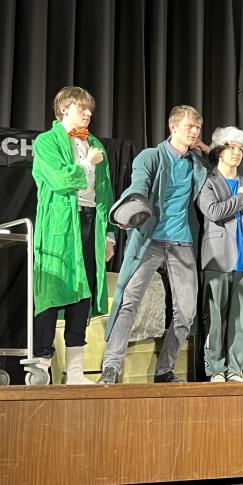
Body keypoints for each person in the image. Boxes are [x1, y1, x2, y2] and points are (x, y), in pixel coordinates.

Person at [98, 105, 210, 384]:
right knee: (129, 301)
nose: (194, 132)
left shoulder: (196, 164)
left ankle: (164, 369)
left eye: (197, 128)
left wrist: (207, 152)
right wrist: (131, 206)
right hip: (149, 240)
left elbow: (219, 176)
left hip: (181, 242)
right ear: (173, 127)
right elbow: (139, 183)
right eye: (189, 127)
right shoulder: (151, 156)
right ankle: (111, 367)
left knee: (186, 311)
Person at [30, 86, 115, 384]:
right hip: (59, 224)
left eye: (90, 109)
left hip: (91, 221)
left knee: (84, 293)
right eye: (82, 108)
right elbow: (59, 179)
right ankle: (41, 365)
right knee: (54, 291)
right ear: (64, 109)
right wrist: (86, 163)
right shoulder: (46, 142)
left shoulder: (94, 144)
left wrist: (109, 236)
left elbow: (105, 192)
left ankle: (76, 371)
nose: (89, 113)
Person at [197, 127, 243, 382]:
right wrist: (240, 199)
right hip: (217, 259)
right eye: (231, 147)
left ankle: (235, 369)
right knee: (215, 318)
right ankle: (215, 369)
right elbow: (212, 212)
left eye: (240, 149)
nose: (236, 153)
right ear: (219, 150)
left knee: (242, 322)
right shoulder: (208, 181)